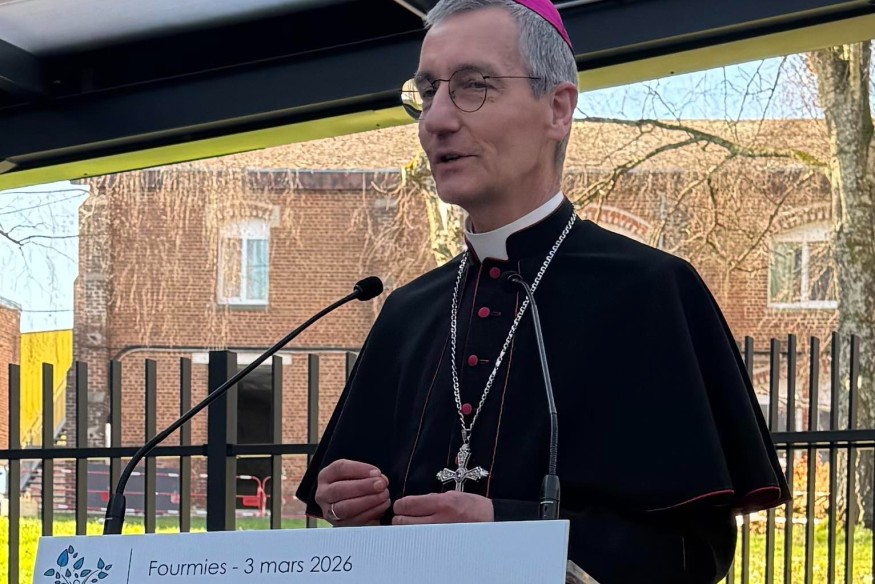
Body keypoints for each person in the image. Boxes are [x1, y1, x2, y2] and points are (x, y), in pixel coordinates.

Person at [296, 1, 790, 582]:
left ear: (557, 108)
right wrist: (350, 506)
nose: (436, 120)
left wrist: (509, 534)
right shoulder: (407, 312)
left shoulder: (652, 292)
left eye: (473, 86)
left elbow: (692, 554)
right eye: (427, 92)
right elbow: (378, 537)